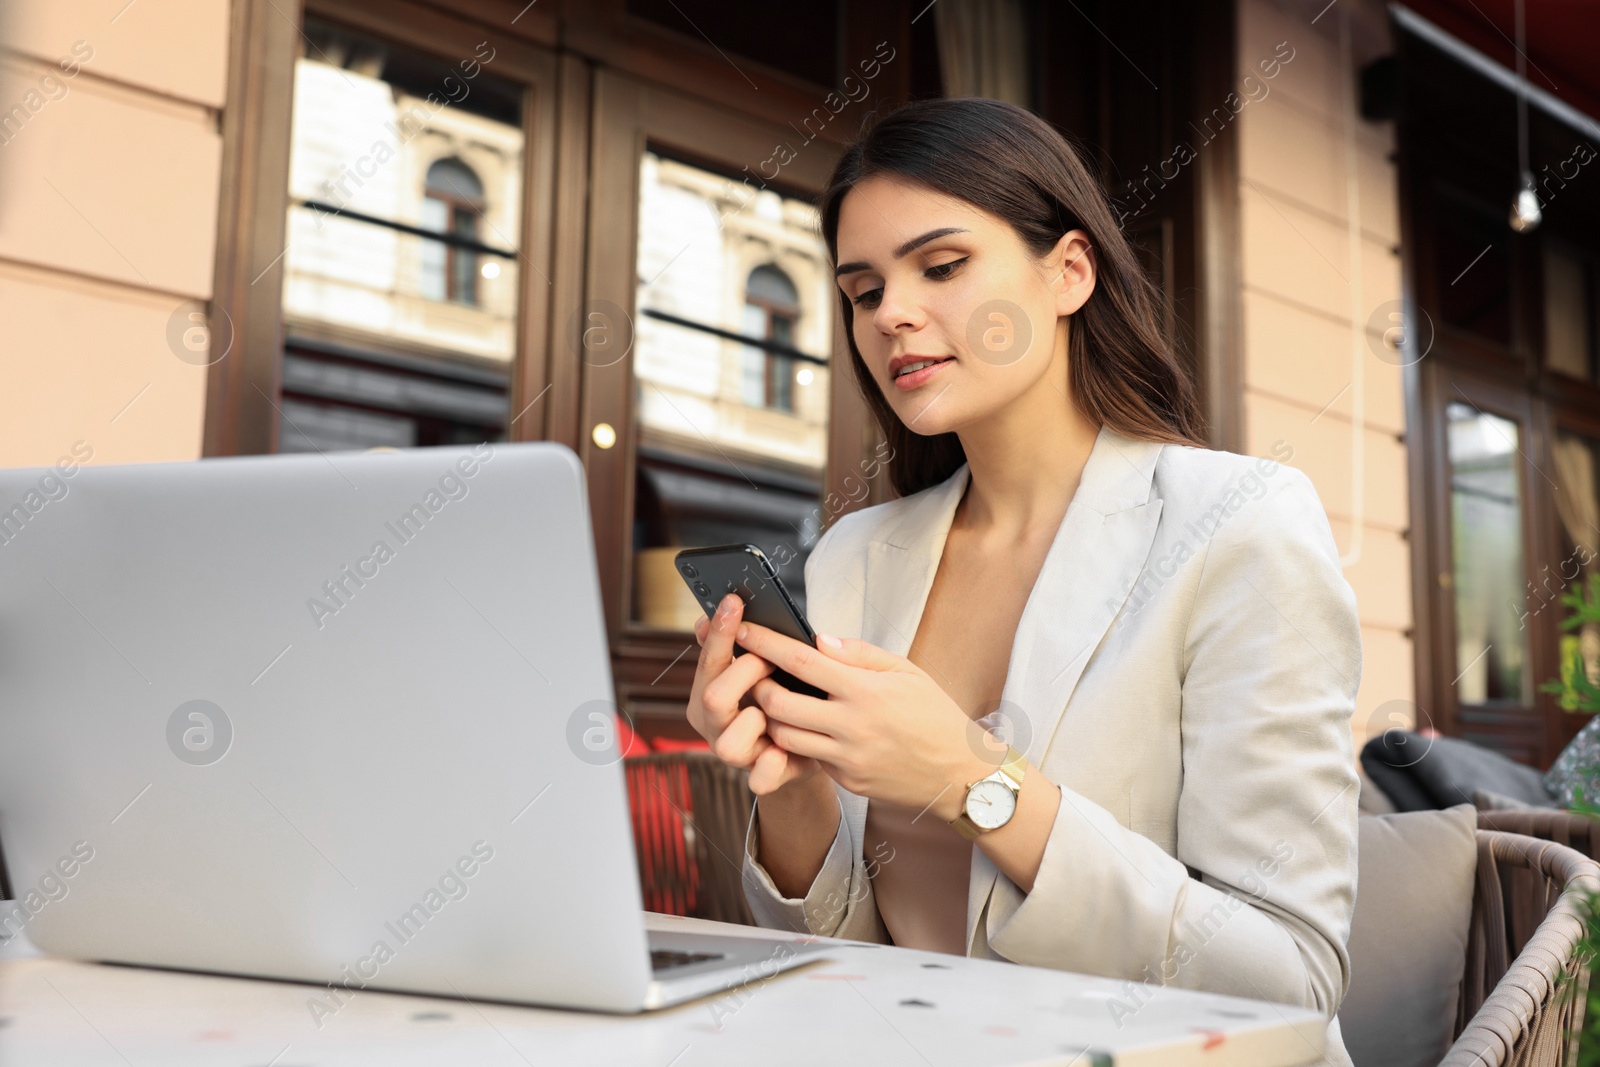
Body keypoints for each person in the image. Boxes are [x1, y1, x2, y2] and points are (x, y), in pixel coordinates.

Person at [685, 98, 1360, 1064]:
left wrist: (970, 778)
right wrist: (789, 786)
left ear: (1069, 272)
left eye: (943, 266)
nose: (893, 315)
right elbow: (848, 963)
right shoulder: (855, 555)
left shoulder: (1240, 521)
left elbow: (1288, 981)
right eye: (863, 289)